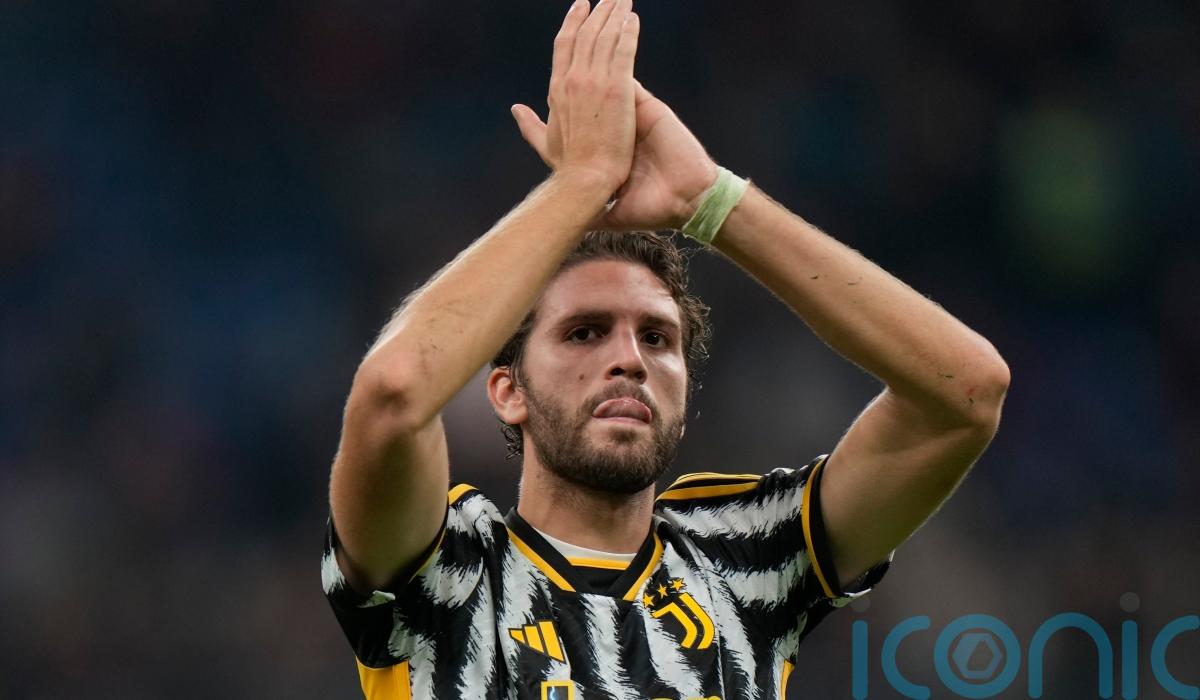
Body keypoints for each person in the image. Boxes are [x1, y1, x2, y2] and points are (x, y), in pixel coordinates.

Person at [320, 0, 1010, 697]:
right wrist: (580, 184)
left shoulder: (744, 561)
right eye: (584, 331)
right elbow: (393, 392)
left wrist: (710, 200)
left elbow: (966, 393)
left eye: (657, 337)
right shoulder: (447, 573)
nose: (630, 359)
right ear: (508, 390)